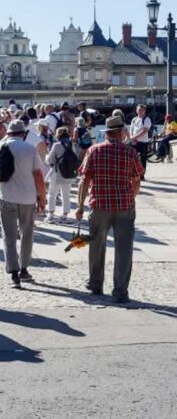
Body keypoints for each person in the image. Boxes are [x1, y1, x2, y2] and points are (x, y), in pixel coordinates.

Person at [77, 115, 143, 303]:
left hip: (100, 206)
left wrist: (81, 206)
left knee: (97, 246)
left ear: (107, 133)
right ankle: (120, 290)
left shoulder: (94, 151)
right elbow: (136, 179)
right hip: (124, 206)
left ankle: (96, 284)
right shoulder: (130, 152)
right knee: (124, 249)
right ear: (121, 132)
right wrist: (132, 197)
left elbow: (84, 181)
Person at [0, 120, 47, 289]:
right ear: (23, 133)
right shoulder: (30, 149)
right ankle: (24, 269)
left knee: (8, 235)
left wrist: (0, 184)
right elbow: (38, 175)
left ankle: (13, 272)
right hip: (28, 197)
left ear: (8, 133)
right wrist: (42, 198)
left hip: (7, 195)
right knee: (27, 234)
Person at [45, 126, 79, 223]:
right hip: (68, 173)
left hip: (57, 172)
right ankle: (64, 216)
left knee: (52, 194)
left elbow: (49, 160)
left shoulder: (56, 145)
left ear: (58, 134)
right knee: (66, 195)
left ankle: (51, 215)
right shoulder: (71, 144)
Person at [129, 104, 152, 179]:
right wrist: (132, 138)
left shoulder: (147, 119)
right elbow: (131, 130)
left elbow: (145, 131)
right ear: (136, 110)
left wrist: (135, 137)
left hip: (143, 142)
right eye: (139, 110)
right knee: (131, 157)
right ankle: (132, 173)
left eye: (142, 110)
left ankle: (142, 175)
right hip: (134, 142)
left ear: (144, 111)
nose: (140, 111)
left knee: (143, 159)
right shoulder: (134, 119)